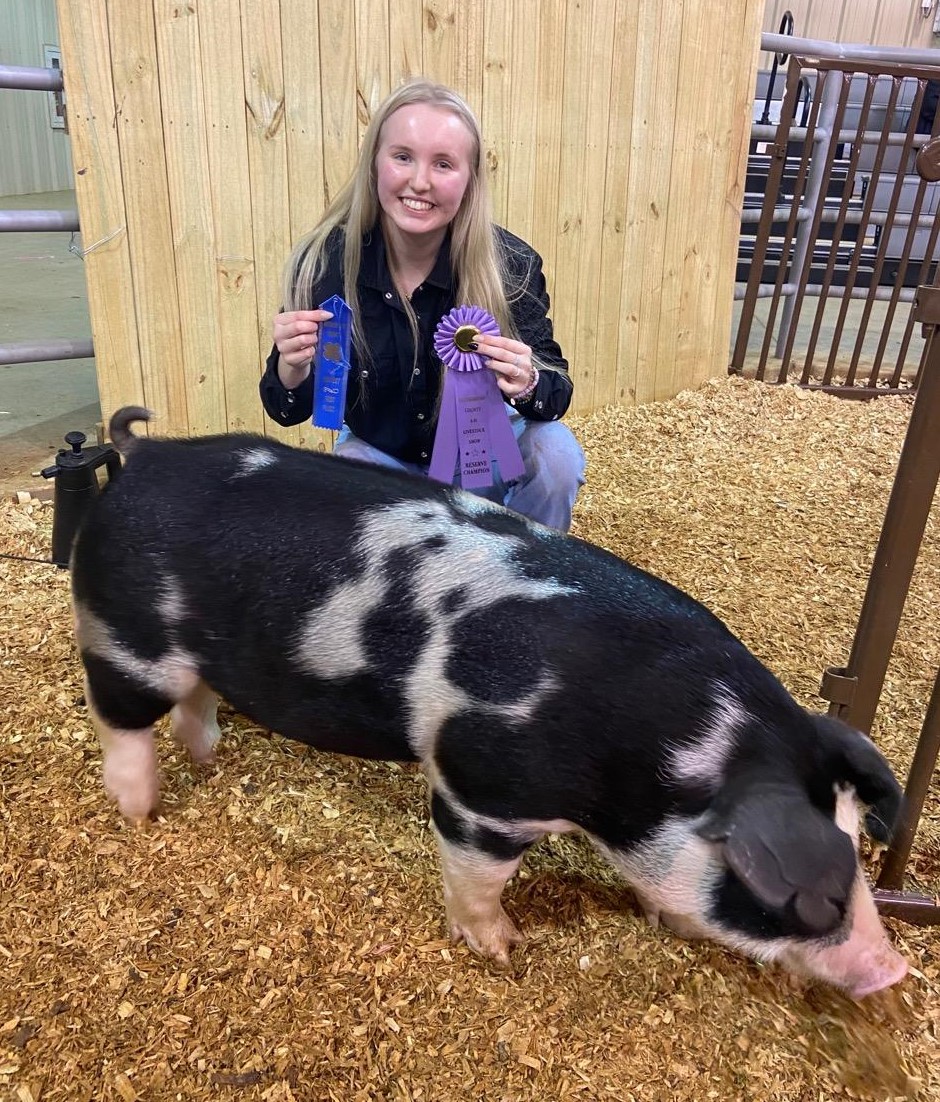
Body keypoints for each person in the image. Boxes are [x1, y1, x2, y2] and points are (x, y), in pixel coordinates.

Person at [259, 78, 585, 531]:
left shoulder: (512, 265)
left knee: (557, 454)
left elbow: (556, 393)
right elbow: (286, 410)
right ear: (375, 163)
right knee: (346, 469)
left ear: (470, 179)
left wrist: (528, 382)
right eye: (403, 156)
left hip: (481, 456)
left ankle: (528, 568)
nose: (420, 181)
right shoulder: (321, 263)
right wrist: (290, 368)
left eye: (444, 164)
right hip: (380, 457)